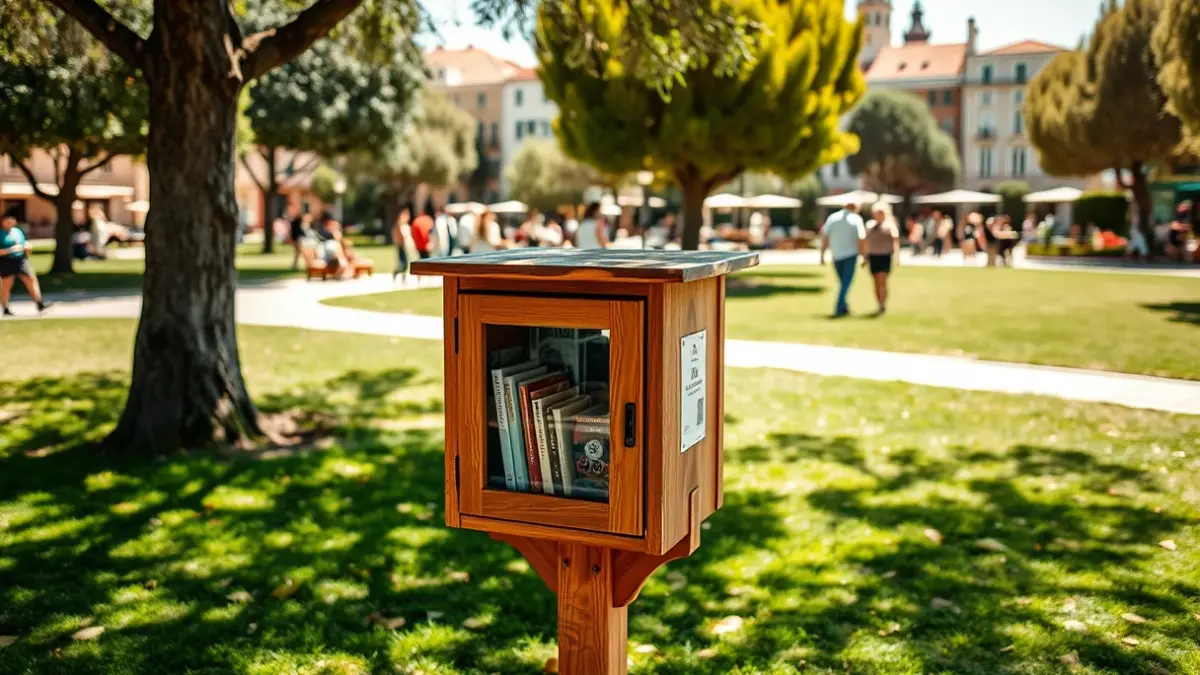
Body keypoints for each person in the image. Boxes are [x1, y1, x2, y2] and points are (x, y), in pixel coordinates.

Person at [819, 202, 866, 318]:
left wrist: (822, 255)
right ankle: (839, 308)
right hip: (850, 255)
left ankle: (844, 307)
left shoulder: (832, 218)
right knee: (845, 284)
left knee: (843, 284)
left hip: (836, 255)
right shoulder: (856, 219)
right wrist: (864, 255)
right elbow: (861, 238)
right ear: (855, 207)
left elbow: (825, 238)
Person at [1, 215, 49, 315]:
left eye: (11, 221)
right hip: (6, 261)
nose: (10, 224)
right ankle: (5, 307)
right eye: (7, 222)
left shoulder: (17, 231)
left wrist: (27, 247)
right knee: (7, 284)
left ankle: (39, 303)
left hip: (21, 259)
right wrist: (11, 250)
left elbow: (23, 242)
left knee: (31, 279)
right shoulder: (1, 234)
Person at [864, 201, 900, 315]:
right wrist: (864, 256)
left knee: (882, 281)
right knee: (875, 282)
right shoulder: (869, 225)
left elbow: (895, 241)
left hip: (885, 255)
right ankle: (879, 303)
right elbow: (865, 242)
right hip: (873, 256)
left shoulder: (890, 225)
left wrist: (897, 256)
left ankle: (883, 304)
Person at [392, 207, 413, 285]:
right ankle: (396, 273)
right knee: (403, 264)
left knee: (406, 264)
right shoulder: (398, 226)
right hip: (401, 247)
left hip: (407, 247)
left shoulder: (406, 226)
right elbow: (398, 237)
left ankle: (403, 279)